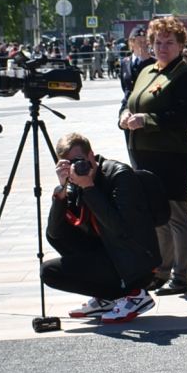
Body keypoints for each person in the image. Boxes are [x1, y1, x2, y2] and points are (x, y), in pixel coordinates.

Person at [41, 132, 160, 324]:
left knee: (50, 271)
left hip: (135, 262)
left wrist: (89, 187)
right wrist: (61, 192)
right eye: (68, 164)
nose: (75, 167)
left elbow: (120, 228)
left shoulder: (120, 176)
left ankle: (135, 295)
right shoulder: (75, 181)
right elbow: (55, 233)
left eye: (78, 160)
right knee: (52, 252)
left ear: (91, 155)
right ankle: (108, 298)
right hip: (110, 253)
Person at [119, 17, 187, 295]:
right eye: (158, 42)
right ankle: (162, 270)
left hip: (172, 155)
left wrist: (147, 120)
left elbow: (183, 115)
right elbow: (129, 99)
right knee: (157, 215)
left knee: (176, 214)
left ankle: (182, 274)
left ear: (180, 45)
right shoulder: (146, 70)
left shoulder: (185, 75)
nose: (162, 48)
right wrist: (124, 116)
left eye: (169, 43)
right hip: (143, 154)